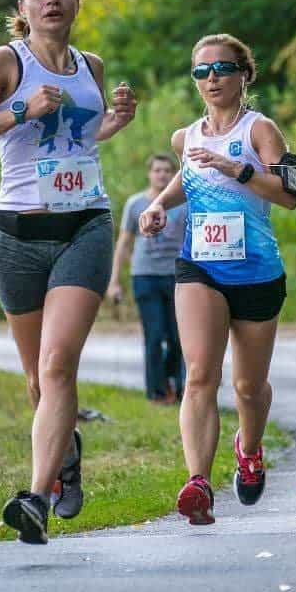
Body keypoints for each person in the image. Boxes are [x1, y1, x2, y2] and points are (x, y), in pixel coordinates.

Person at [0, 0, 137, 544]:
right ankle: (66, 456)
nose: (52, 0)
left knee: (56, 366)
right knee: (36, 379)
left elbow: (80, 138)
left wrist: (114, 122)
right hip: (18, 235)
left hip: (85, 227)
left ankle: (34, 498)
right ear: (22, 8)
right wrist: (20, 109)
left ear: (76, 3)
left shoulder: (91, 66)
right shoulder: (5, 63)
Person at [139, 33, 296, 525]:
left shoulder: (260, 130)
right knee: (199, 375)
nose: (211, 79)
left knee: (249, 387)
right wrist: (157, 204)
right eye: (201, 71)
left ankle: (249, 449)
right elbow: (187, 179)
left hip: (256, 272)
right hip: (200, 266)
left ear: (243, 75)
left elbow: (291, 196)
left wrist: (239, 170)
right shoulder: (185, 137)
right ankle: (199, 483)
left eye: (222, 69)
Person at [108, 154, 186, 404]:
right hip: (145, 275)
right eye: (157, 170)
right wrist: (114, 281)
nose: (162, 175)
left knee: (177, 337)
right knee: (154, 336)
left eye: (167, 171)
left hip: (178, 276)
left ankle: (177, 384)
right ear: (149, 174)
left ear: (174, 175)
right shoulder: (136, 203)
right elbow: (124, 243)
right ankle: (157, 392)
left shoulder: (184, 203)